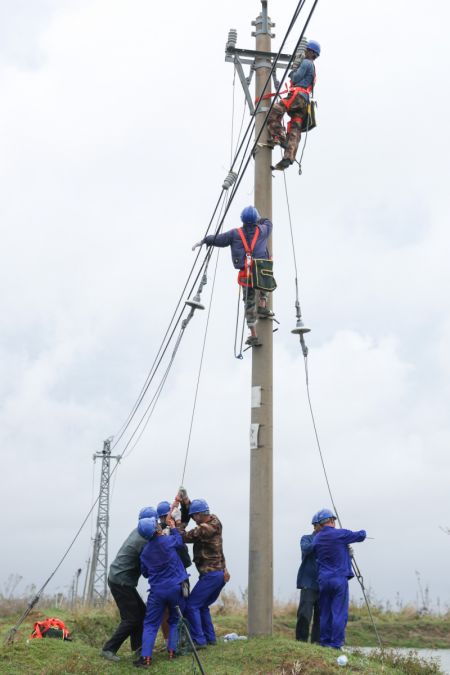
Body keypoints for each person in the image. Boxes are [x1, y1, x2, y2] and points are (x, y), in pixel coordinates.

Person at [192, 206, 274, 347]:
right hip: (261, 271)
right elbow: (268, 222)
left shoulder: (234, 234)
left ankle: (253, 335)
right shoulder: (263, 230)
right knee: (266, 280)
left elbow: (218, 239)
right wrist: (260, 219)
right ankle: (262, 304)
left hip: (246, 273)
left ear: (242, 220)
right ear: (256, 220)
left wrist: (205, 240)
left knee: (248, 302)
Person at [101, 506, 157, 663]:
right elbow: (148, 565)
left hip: (120, 578)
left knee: (142, 612)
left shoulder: (139, 530)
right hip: (121, 581)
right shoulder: (144, 542)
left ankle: (138, 648)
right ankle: (108, 649)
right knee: (131, 618)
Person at [134, 516, 189, 669]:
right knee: (174, 620)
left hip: (157, 592)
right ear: (156, 528)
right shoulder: (168, 541)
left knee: (151, 624)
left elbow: (145, 573)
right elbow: (179, 542)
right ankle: (173, 651)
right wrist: (173, 528)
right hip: (175, 588)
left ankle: (146, 658)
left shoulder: (144, 553)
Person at [178, 496, 230, 647]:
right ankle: (210, 638)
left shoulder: (204, 528)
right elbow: (195, 509)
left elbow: (184, 537)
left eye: (194, 516)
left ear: (200, 515)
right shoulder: (214, 520)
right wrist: (185, 501)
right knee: (202, 606)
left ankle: (199, 640)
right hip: (219, 574)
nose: (193, 519)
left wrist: (177, 523)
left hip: (211, 575)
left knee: (192, 606)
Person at [312, 508, 366, 649]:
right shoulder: (340, 534)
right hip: (339, 579)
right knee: (339, 613)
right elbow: (360, 535)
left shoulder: (317, 538)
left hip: (323, 580)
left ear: (320, 523)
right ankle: (336, 644)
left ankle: (325, 642)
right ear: (332, 520)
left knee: (325, 613)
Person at [267, 39, 320, 171]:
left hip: (297, 96)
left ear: (311, 52)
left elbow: (296, 78)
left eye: (306, 50)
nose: (304, 52)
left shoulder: (307, 63)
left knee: (274, 111)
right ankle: (289, 157)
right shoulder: (313, 68)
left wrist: (293, 70)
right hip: (304, 102)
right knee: (295, 128)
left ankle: (278, 136)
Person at [295, 512, 321, 643]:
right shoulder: (306, 539)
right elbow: (306, 549)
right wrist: (320, 539)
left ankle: (317, 644)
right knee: (305, 614)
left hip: (324, 584)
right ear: (315, 526)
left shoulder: (329, 542)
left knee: (320, 617)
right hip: (308, 583)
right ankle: (301, 642)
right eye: (322, 525)